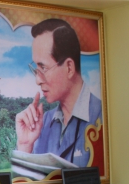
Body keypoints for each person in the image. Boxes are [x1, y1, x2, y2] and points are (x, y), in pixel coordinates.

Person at [15, 18, 102, 167]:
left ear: (69, 68)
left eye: (43, 68)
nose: (37, 80)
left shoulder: (102, 117)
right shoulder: (41, 124)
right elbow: (26, 180)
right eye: (36, 69)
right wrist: (25, 146)